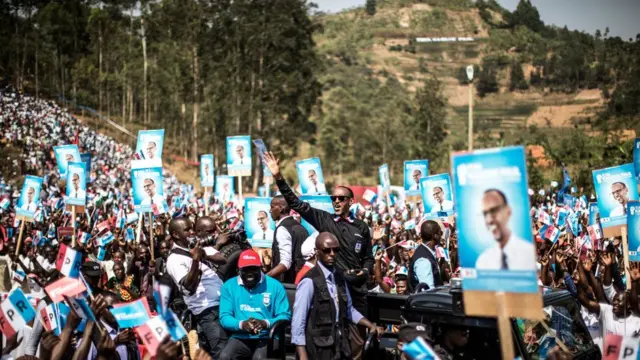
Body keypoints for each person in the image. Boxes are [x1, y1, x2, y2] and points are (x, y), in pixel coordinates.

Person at [264, 152, 374, 360]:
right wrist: (278, 177)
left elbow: (369, 257)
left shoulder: (362, 228)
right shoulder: (324, 220)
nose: (336, 201)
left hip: (357, 295)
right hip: (332, 292)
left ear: (351, 201)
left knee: (357, 349)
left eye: (341, 198)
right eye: (333, 198)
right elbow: (296, 204)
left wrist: (366, 270)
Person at [291, 232, 378, 360]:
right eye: (327, 250)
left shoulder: (340, 278)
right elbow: (298, 323)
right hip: (317, 350)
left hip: (340, 346)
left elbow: (349, 310)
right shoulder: (309, 281)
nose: (332, 254)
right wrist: (303, 356)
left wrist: (369, 325)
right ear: (317, 251)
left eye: (336, 250)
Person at [166, 217, 226, 358]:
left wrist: (204, 255)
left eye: (192, 228)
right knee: (221, 352)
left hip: (222, 305)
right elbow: (189, 286)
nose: (192, 232)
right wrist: (195, 260)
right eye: (187, 230)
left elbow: (223, 259)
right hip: (207, 311)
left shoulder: (197, 246)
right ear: (175, 234)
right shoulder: (174, 259)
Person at [219, 249, 291, 360]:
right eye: (246, 269)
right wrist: (242, 324)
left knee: (259, 358)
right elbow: (225, 317)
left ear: (261, 268)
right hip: (241, 335)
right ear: (238, 270)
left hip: (268, 336)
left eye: (254, 269)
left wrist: (265, 323)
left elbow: (284, 316)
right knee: (225, 356)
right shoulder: (229, 286)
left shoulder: (275, 286)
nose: (250, 273)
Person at [475, 189, 536, 270]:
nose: (489, 220)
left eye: (494, 211)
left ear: (508, 211)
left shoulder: (528, 254)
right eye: (485, 213)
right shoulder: (483, 262)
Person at [267, 196, 309, 283]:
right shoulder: (301, 228)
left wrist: (265, 277)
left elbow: (285, 263)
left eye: (272, 207)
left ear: (281, 208)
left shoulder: (282, 229)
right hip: (300, 281)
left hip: (286, 284)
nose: (270, 210)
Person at [408, 221, 443, 290]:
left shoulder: (426, 252)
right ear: (435, 236)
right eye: (440, 233)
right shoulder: (423, 260)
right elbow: (428, 291)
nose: (441, 236)